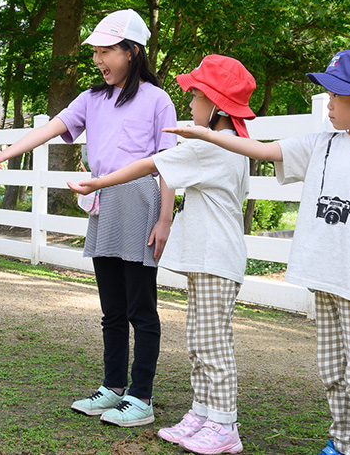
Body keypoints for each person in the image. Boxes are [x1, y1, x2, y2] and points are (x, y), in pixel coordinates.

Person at [163, 49, 350, 455]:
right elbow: (264, 151)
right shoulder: (322, 144)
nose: (329, 104)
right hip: (323, 277)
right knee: (332, 371)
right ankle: (340, 442)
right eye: (328, 95)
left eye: (337, 96)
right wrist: (209, 135)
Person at [0, 9, 176, 427]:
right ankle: (113, 387)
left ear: (132, 52)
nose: (99, 60)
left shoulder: (158, 100)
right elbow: (48, 130)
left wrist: (165, 219)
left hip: (140, 203)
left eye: (106, 51)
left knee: (141, 307)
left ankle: (142, 397)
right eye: (96, 52)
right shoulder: (92, 99)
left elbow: (169, 163)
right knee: (112, 308)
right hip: (103, 202)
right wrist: (0, 156)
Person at [68, 54, 256, 455]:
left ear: (217, 105)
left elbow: (152, 164)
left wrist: (99, 182)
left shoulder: (210, 149)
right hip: (208, 258)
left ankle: (224, 424)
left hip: (215, 257)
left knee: (212, 346)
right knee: (201, 342)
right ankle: (203, 414)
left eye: (197, 96)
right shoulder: (229, 146)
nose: (189, 103)